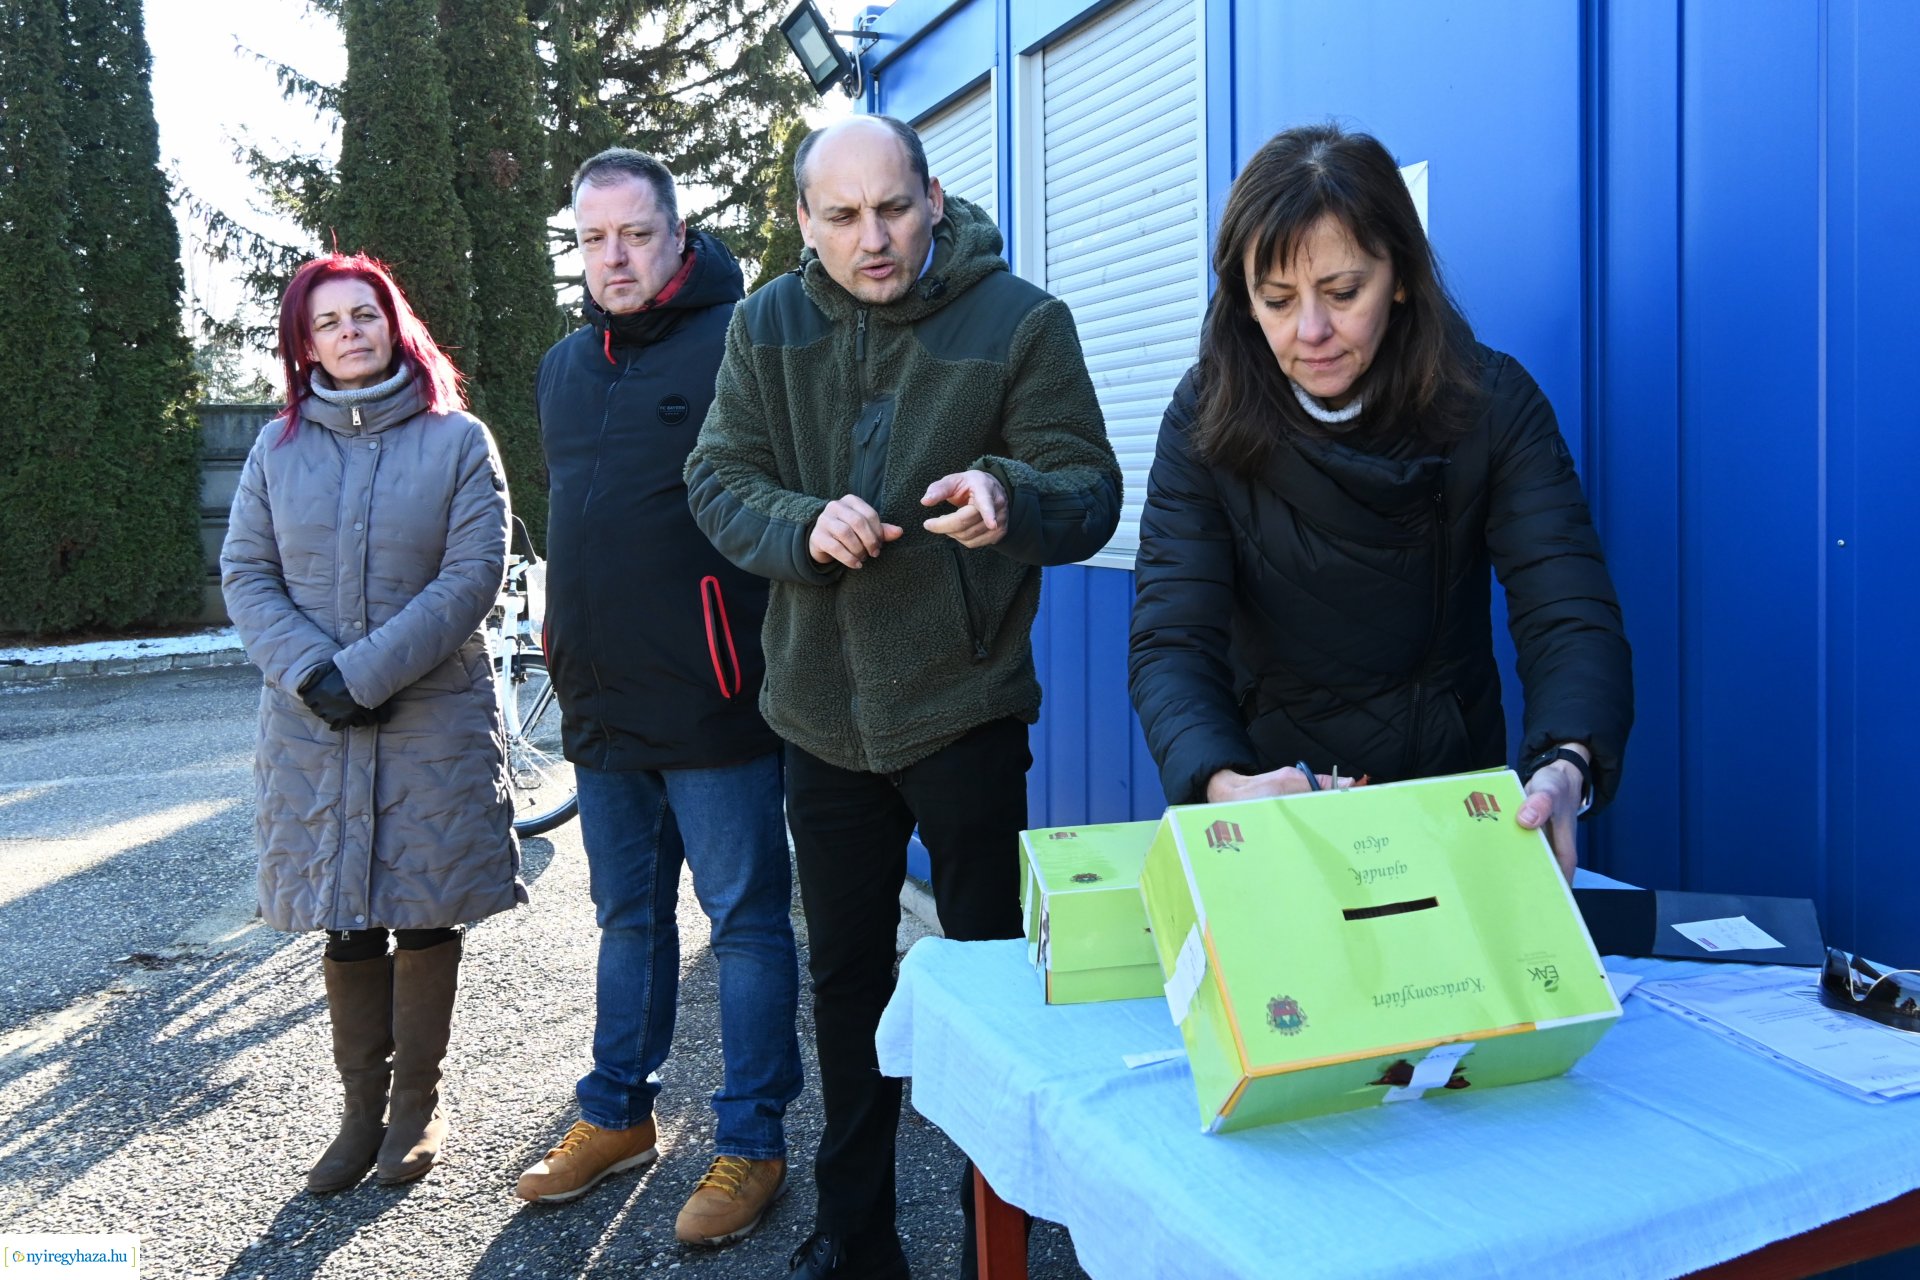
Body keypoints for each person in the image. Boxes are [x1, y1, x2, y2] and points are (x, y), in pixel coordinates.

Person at [687, 114, 1122, 1279]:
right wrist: (799, 521)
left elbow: (1088, 489)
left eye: (892, 207)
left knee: (988, 979)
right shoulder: (765, 325)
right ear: (802, 224)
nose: (871, 238)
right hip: (819, 719)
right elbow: (718, 478)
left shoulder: (1021, 320)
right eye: (841, 216)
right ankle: (858, 1228)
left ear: (932, 197)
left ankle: (1005, 1230)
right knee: (845, 978)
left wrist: (1007, 491)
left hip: (963, 706)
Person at [1129, 124, 1633, 878]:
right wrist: (1220, 780)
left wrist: (1567, 762)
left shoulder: (1493, 404)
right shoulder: (1204, 419)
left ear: (1400, 275)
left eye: (1343, 292)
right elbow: (1172, 638)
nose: (1312, 332)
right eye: (1276, 300)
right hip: (1277, 809)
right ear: (1243, 301)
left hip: (1449, 801)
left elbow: (1567, 610)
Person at [512, 148, 802, 1249]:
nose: (614, 257)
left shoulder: (745, 340)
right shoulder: (564, 365)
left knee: (745, 925)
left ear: (680, 236)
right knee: (624, 918)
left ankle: (750, 1139)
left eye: (635, 234)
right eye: (593, 239)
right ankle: (615, 1116)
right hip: (601, 700)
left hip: (717, 698)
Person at [221, 253, 524, 1194]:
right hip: (312, 723)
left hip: (429, 719)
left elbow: (473, 573)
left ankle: (414, 1114)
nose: (350, 332)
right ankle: (358, 1116)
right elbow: (246, 572)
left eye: (365, 314)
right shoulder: (277, 449)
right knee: (345, 922)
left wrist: (366, 671)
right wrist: (314, 671)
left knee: (423, 913)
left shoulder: (459, 440)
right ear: (303, 344)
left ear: (396, 325)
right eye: (328, 322)